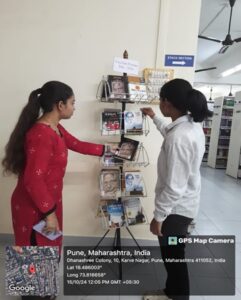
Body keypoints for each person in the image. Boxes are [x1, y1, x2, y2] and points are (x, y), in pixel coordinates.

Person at [2, 81, 104, 261]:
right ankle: (36, 288)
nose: (74, 108)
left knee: (46, 256)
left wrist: (110, 150)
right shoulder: (41, 135)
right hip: (35, 206)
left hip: (47, 202)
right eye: (72, 103)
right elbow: (33, 180)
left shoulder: (55, 128)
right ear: (60, 105)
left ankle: (43, 287)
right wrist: (50, 214)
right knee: (35, 259)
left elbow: (77, 144)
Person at [141, 78, 212, 300]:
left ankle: (177, 295)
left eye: (160, 100)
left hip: (175, 213)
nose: (159, 104)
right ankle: (173, 292)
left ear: (167, 103)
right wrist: (154, 117)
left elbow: (174, 186)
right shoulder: (189, 125)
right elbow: (169, 131)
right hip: (184, 207)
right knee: (174, 254)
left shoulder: (179, 138)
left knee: (173, 255)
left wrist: (158, 217)